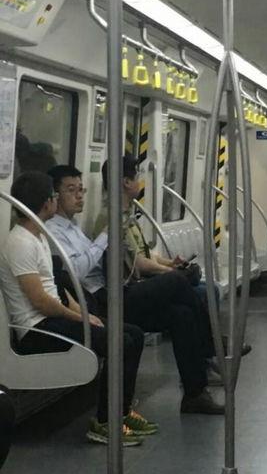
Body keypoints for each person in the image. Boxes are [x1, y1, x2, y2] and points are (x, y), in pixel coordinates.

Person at [0, 172, 156, 446]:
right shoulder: (20, 243)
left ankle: (121, 412)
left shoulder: (38, 236)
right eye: (54, 196)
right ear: (47, 203)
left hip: (53, 319)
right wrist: (79, 318)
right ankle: (105, 422)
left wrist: (85, 315)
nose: (56, 200)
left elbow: (56, 288)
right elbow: (40, 301)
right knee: (120, 342)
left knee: (132, 333)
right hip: (37, 329)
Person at [90, 157, 226, 414]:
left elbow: (143, 253)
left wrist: (169, 265)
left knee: (182, 314)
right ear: (126, 182)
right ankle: (212, 345)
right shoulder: (110, 219)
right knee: (180, 281)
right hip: (120, 295)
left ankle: (195, 393)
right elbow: (136, 264)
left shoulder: (127, 215)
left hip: (135, 287)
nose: (141, 181)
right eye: (137, 175)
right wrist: (171, 272)